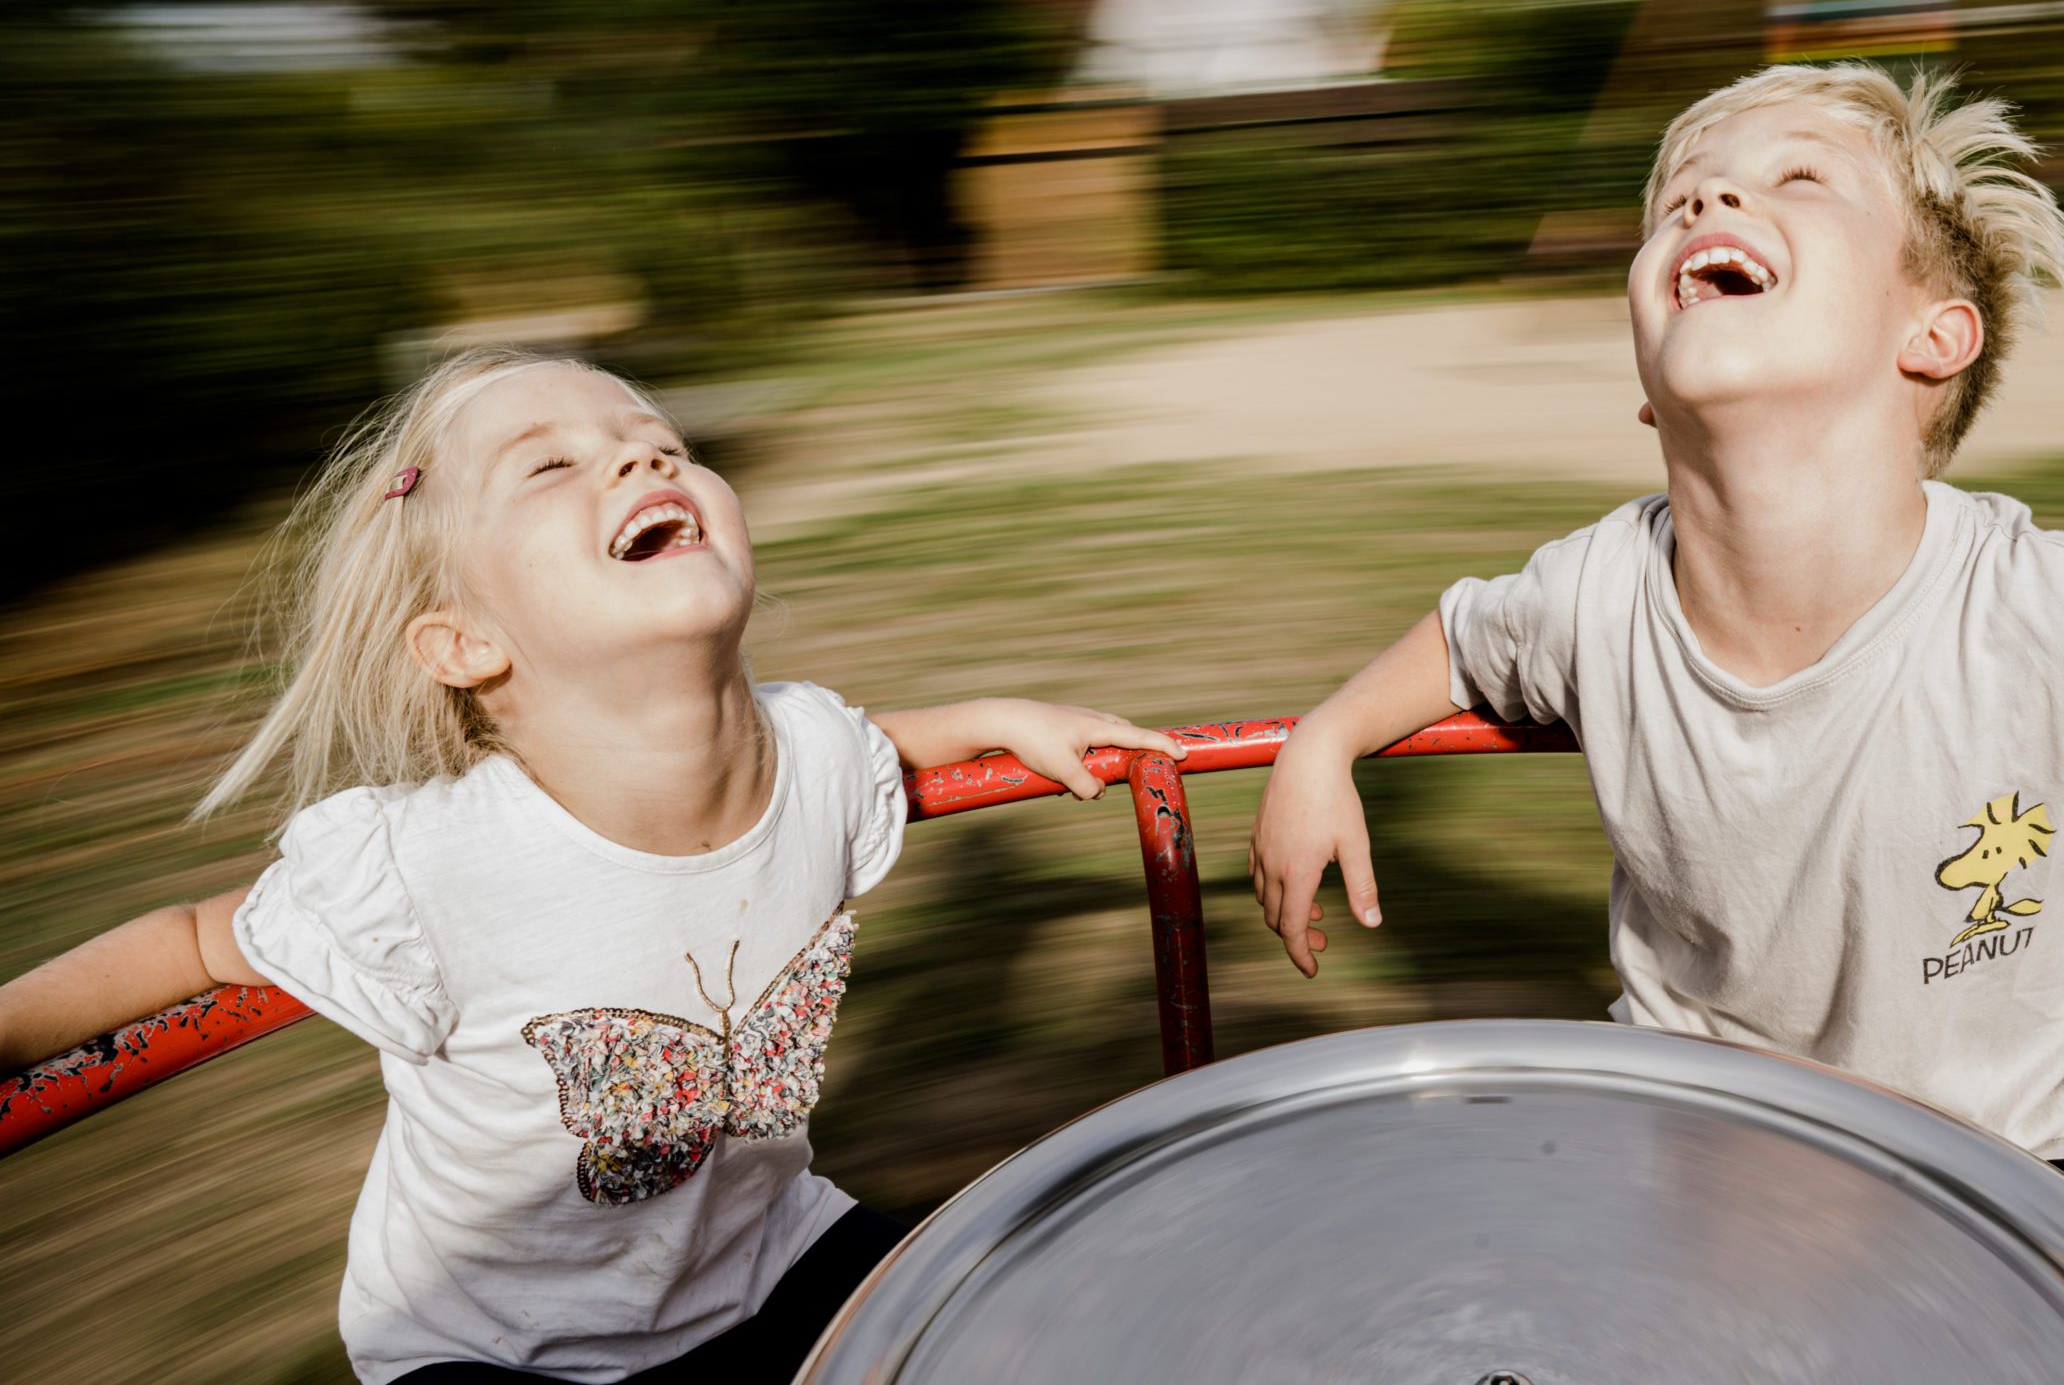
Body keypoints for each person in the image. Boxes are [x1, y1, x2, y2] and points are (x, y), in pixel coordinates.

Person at [1247, 62, 2064, 1306]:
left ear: (1932, 336)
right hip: (1717, 1138)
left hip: (2045, 1168)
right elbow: (1472, 637)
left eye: (1798, 178)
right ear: (1646, 386)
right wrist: (1325, 740)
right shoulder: (1598, 587)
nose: (1707, 200)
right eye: (1678, 199)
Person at [0, 347, 1185, 1383]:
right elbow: (196, 943)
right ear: (463, 642)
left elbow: (874, 746)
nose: (640, 463)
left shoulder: (818, 752)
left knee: (1038, 1330)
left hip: (768, 1257)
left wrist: (994, 713)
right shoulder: (431, 861)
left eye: (659, 443)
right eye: (550, 465)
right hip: (503, 1350)